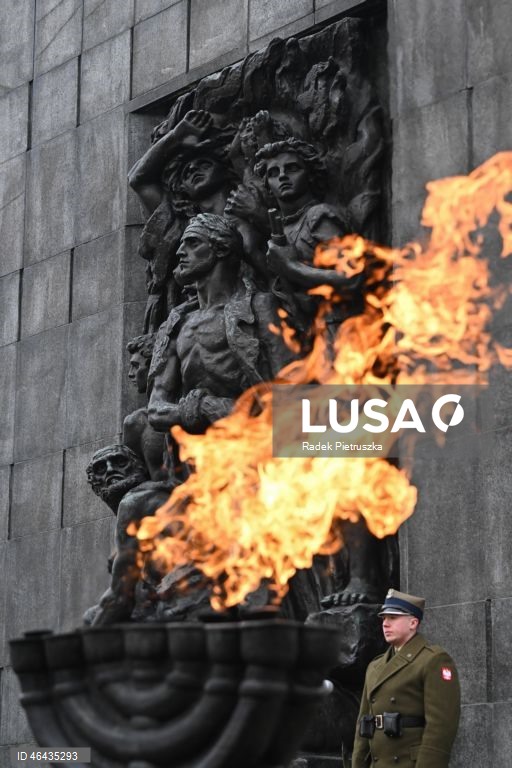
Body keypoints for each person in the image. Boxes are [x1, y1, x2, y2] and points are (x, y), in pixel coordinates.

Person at [148, 213, 292, 435]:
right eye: (181, 244)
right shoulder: (176, 324)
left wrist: (233, 411)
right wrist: (202, 408)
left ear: (222, 248)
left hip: (255, 443)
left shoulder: (259, 306)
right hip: (200, 452)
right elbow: (156, 410)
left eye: (193, 242)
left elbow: (290, 389)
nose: (180, 252)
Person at [351, 589, 460, 768]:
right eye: (384, 618)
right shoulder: (375, 666)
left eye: (392, 618)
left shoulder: (433, 660)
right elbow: (364, 724)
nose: (385, 624)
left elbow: (440, 728)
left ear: (413, 622)